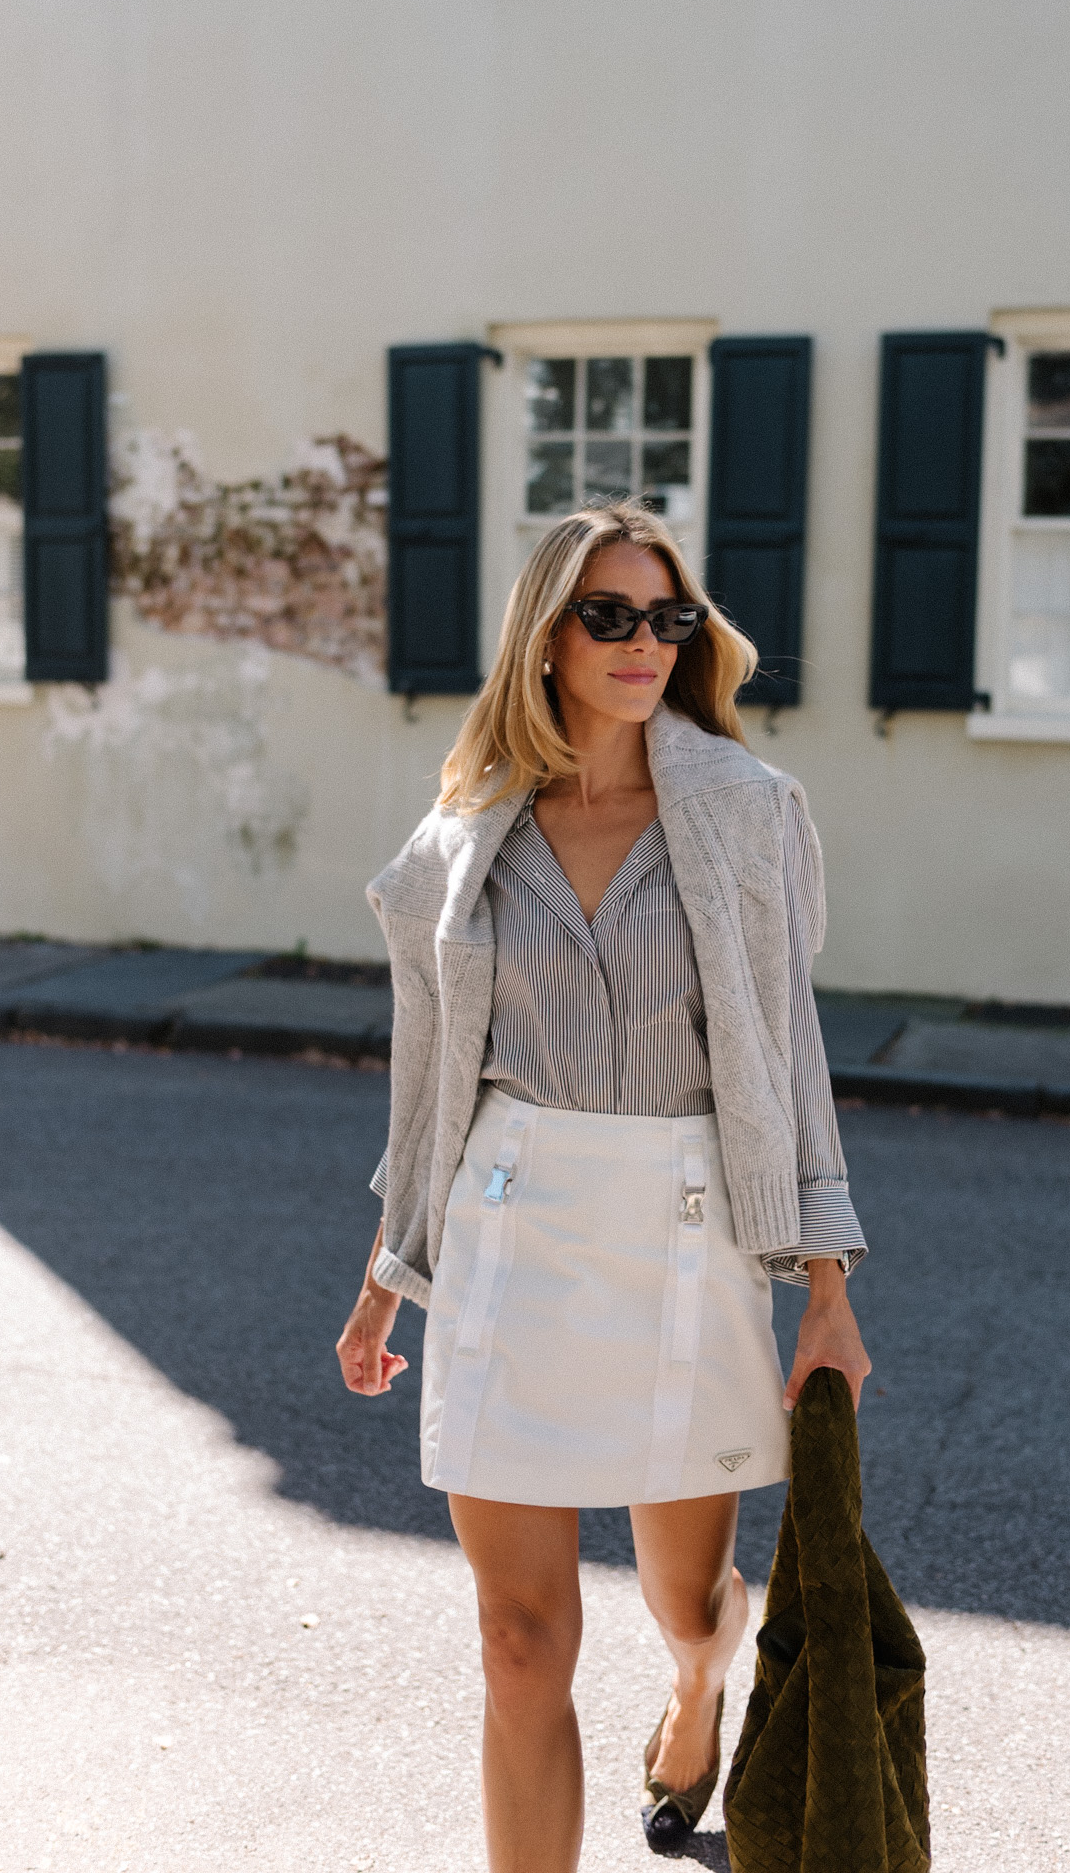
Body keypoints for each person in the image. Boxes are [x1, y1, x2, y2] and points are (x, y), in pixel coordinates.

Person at [336, 501, 871, 1872]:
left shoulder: (749, 816)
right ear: (546, 637)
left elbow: (789, 1056)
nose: (646, 643)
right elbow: (431, 1079)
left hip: (684, 1232)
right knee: (518, 1648)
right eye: (612, 616)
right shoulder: (465, 834)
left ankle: (698, 1687)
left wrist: (826, 1290)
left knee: (688, 1603)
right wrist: (386, 1279)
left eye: (669, 618)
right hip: (507, 1231)